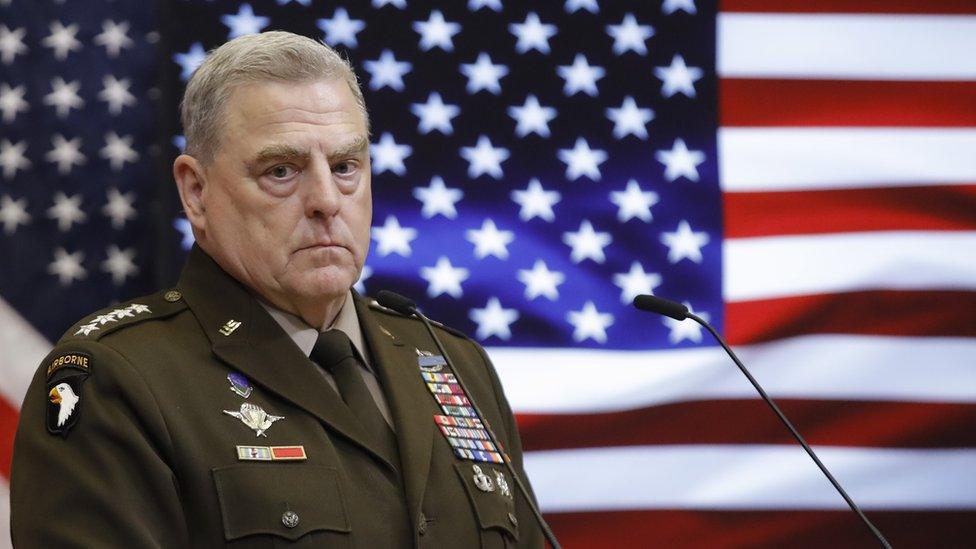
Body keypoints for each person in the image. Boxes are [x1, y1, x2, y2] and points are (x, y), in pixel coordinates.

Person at [11, 31, 543, 548]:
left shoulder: (454, 364)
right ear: (196, 192)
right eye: (282, 170)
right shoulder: (118, 379)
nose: (326, 200)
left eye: (344, 166)